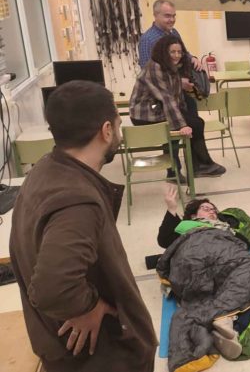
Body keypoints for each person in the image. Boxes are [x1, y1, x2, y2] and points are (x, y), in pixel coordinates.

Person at [9, 81, 156, 371]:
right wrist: (89, 306)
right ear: (106, 131)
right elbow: (53, 287)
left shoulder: (44, 170)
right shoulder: (78, 202)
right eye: (118, 122)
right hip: (102, 358)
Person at [130, 34, 225, 181]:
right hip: (144, 114)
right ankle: (182, 170)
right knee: (183, 127)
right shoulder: (155, 67)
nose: (177, 55)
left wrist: (185, 118)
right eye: (172, 52)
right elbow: (167, 98)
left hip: (158, 108)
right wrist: (182, 125)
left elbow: (177, 97)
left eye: (179, 52)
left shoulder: (171, 66)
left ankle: (190, 167)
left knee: (196, 122)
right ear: (164, 52)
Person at [138, 0, 202, 116]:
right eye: (167, 16)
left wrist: (192, 58)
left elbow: (183, 53)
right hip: (160, 98)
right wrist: (177, 82)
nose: (172, 20)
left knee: (193, 115)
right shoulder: (148, 40)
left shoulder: (174, 33)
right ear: (155, 15)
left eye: (173, 16)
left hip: (177, 94)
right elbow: (147, 75)